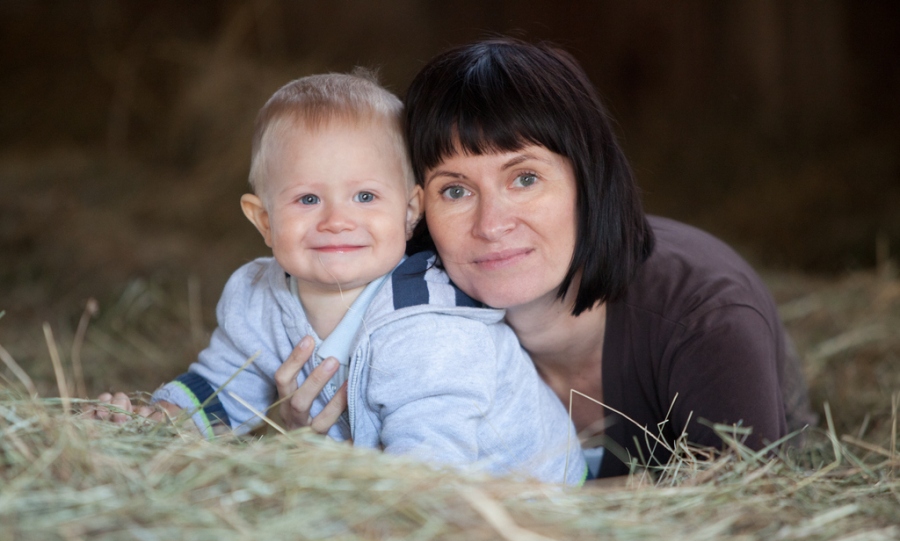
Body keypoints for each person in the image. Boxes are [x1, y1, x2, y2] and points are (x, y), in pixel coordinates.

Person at [94, 71, 587, 485]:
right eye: (308, 200)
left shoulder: (431, 325)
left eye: (366, 197)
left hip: (528, 497)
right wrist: (156, 422)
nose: (336, 220)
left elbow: (432, 461)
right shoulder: (256, 297)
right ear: (263, 220)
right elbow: (222, 386)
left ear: (411, 211)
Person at [397, 38, 817, 479]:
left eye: (525, 178)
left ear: (589, 180)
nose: (491, 224)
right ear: (417, 209)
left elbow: (747, 512)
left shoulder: (705, 319)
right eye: (455, 190)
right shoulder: (403, 325)